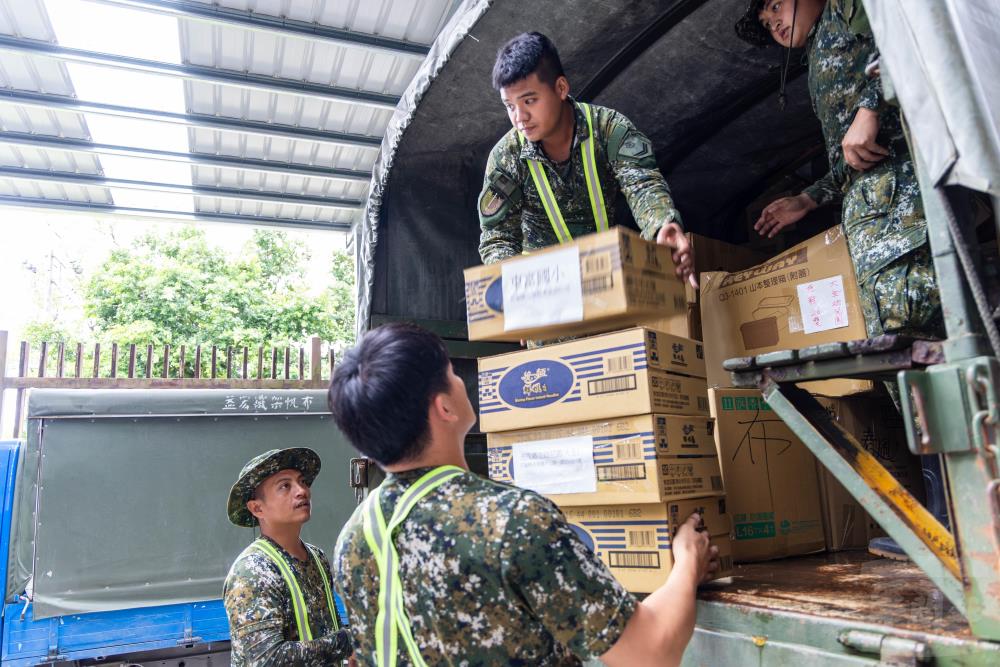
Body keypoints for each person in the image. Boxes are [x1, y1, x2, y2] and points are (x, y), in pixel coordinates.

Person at [329, 322, 718, 666]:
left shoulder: (354, 539)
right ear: (444, 407)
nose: (461, 381)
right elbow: (650, 652)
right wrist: (688, 561)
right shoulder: (510, 520)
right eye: (452, 373)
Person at [735, 0, 947, 560]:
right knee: (902, 364)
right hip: (873, 225)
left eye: (775, 5)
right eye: (765, 23)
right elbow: (853, 156)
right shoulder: (819, 54)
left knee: (923, 349)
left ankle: (962, 518)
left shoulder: (852, 11)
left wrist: (873, 103)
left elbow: (917, 27)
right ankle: (945, 519)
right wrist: (808, 199)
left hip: (905, 211)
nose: (774, 23)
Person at [479, 32, 697, 289]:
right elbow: (498, 237)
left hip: (606, 282)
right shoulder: (506, 157)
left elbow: (642, 184)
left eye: (529, 101)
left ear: (561, 88)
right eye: (510, 106)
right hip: (544, 295)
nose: (519, 117)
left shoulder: (609, 129)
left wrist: (662, 224)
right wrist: (515, 290)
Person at [223, 448, 354, 665]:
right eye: (285, 486)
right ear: (257, 508)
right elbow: (268, 659)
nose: (302, 491)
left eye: (302, 482)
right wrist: (346, 642)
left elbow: (327, 627)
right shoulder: (253, 570)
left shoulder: (317, 557)